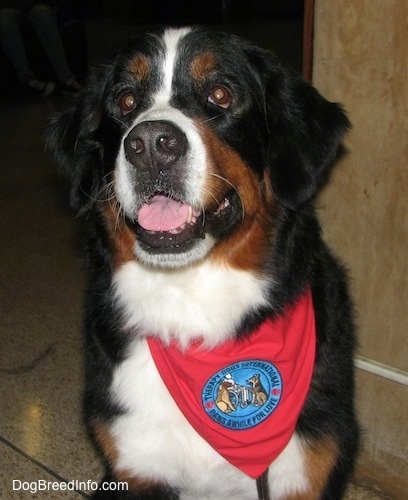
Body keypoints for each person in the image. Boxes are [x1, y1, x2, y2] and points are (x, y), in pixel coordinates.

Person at [0, 0, 81, 96]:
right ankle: (27, 80)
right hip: (8, 8)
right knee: (4, 20)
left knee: (43, 13)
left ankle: (65, 77)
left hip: (37, 5)